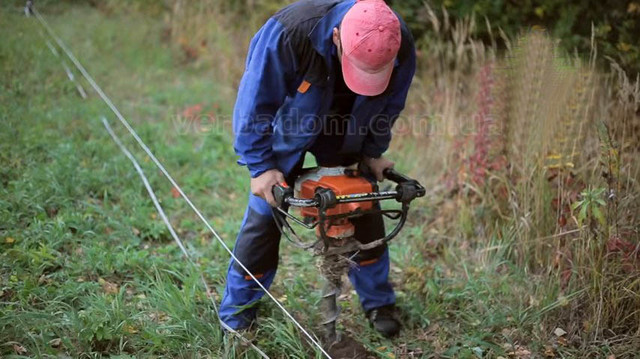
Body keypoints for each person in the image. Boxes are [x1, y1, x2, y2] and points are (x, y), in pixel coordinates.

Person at [220, 0, 416, 338]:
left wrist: (372, 152)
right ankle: (238, 313)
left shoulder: (396, 39)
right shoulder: (289, 33)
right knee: (264, 218)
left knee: (363, 204)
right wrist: (261, 167)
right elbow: (254, 103)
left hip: (351, 127)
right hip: (291, 127)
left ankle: (379, 302)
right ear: (337, 37)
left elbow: (390, 103)